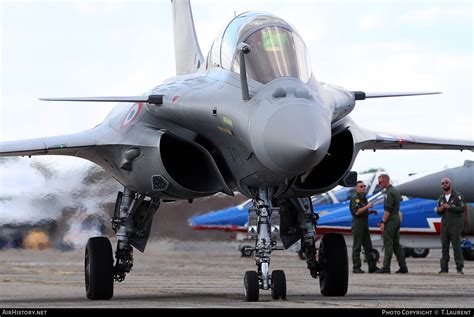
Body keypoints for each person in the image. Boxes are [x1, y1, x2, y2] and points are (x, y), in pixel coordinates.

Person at [375, 174, 408, 274]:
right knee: (396, 245)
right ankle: (403, 267)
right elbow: (400, 200)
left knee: (388, 243)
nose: (379, 184)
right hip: (396, 218)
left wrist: (383, 222)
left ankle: (386, 267)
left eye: (380, 182)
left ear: (385, 181)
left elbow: (388, 210)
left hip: (391, 220)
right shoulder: (395, 191)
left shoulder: (389, 192)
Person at [436, 177, 465, 274]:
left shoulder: (457, 196)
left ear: (450, 184)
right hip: (444, 225)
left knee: (456, 247)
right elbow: (438, 211)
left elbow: (462, 208)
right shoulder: (441, 198)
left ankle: (459, 268)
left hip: (455, 225)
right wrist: (440, 208)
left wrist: (450, 207)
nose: (444, 184)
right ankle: (444, 268)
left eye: (446, 182)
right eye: (443, 183)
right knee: (444, 247)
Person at [349, 181, 379, 273]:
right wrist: (368, 207)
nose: (363, 188)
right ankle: (356, 267)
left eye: (364, 186)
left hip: (364, 224)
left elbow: (362, 211)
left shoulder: (363, 198)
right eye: (361, 186)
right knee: (357, 246)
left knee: (368, 246)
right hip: (358, 225)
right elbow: (356, 212)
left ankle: (372, 266)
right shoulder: (356, 198)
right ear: (357, 188)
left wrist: (370, 211)